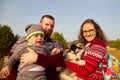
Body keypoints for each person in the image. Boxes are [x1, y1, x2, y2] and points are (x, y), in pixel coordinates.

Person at [6, 15, 64, 80]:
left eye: (52, 26)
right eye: (47, 24)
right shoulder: (23, 40)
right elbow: (12, 61)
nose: (49, 27)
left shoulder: (56, 44)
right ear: (40, 24)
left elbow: (60, 60)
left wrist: (37, 58)